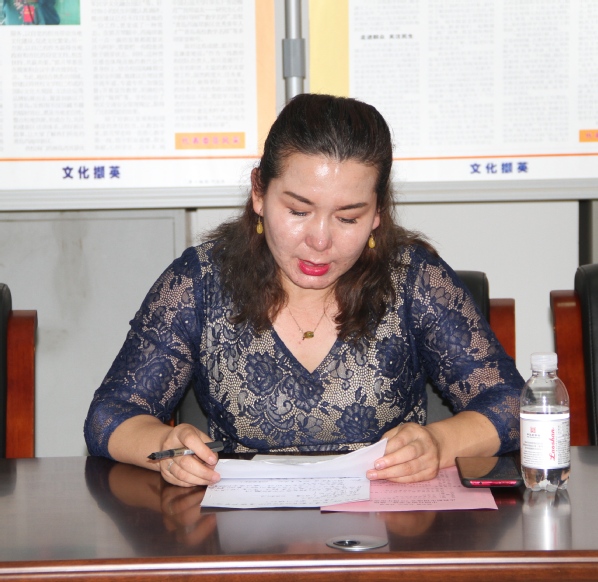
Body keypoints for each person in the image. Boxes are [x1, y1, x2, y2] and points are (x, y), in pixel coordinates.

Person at [84, 93, 523, 488]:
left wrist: (438, 443)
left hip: (383, 531)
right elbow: (110, 416)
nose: (320, 240)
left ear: (377, 214)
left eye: (348, 218)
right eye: (298, 210)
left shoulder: (411, 279)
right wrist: (165, 444)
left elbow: (512, 405)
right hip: (247, 534)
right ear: (259, 193)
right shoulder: (201, 281)